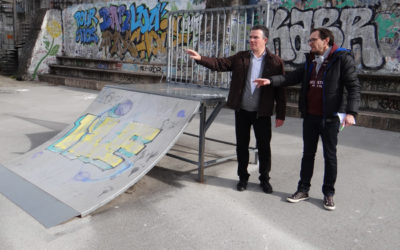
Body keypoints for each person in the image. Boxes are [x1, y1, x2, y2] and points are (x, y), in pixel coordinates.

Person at [254, 28, 360, 210]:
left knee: (330, 156)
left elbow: (354, 87)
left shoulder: (342, 59)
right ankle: (303, 189)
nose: (309, 43)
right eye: (309, 40)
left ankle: (328, 193)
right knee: (308, 155)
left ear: (326, 41)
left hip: (330, 118)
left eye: (313, 40)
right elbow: (292, 77)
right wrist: (271, 81)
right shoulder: (310, 60)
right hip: (310, 116)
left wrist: (351, 113)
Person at [186, 25, 286, 194]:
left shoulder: (275, 62)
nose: (252, 40)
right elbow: (220, 64)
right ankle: (243, 178)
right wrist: (200, 58)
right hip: (242, 111)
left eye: (255, 37)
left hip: (262, 113)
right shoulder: (241, 58)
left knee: (264, 147)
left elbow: (280, 88)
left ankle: (264, 179)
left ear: (265, 40)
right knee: (241, 146)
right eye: (251, 37)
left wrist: (281, 114)